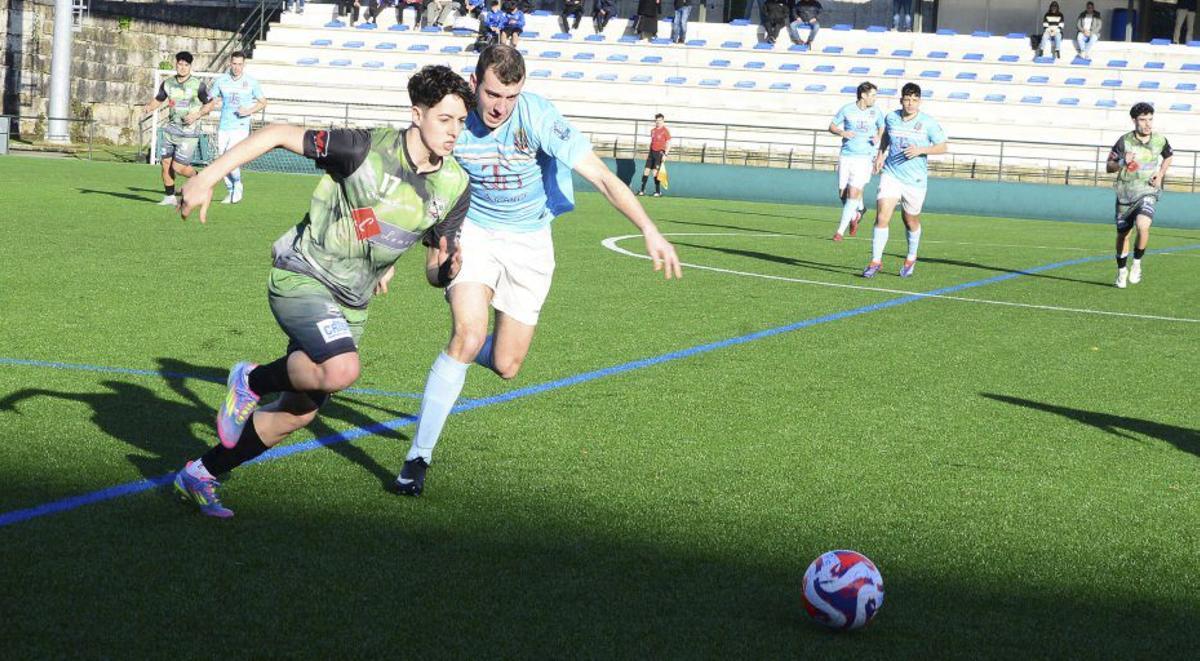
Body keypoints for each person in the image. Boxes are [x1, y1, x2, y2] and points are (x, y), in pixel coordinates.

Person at [170, 65, 473, 517]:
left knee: (298, 413)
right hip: (303, 274)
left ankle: (202, 473)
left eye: (461, 122)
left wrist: (445, 270)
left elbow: (431, 267)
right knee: (342, 369)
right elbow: (273, 132)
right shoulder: (362, 147)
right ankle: (250, 380)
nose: (454, 131)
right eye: (445, 119)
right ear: (417, 113)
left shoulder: (455, 185)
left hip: (352, 302)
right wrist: (205, 178)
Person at [393, 45, 682, 496]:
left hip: (531, 241)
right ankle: (417, 458)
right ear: (475, 84)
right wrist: (389, 252)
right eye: (491, 94)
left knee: (507, 364)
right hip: (476, 232)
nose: (499, 107)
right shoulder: (455, 120)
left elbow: (602, 177)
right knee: (467, 335)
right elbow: (407, 176)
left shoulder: (539, 118)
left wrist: (649, 228)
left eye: (510, 97)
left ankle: (468, 356)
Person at [863, 82, 948, 279]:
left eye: (914, 100)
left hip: (915, 180)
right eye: (907, 99)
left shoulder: (928, 123)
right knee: (882, 217)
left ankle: (911, 257)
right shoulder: (891, 117)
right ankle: (875, 261)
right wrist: (880, 155)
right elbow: (886, 139)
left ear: (920, 102)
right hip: (891, 174)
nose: (910, 103)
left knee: (910, 220)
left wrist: (921, 150)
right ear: (901, 100)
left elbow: (943, 147)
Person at [1106, 102, 1173, 289]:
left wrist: (1160, 173)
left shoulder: (1160, 139)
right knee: (1123, 235)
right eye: (1143, 120)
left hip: (1148, 191)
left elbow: (1168, 156)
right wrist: (1121, 161)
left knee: (1143, 225)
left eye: (1150, 119)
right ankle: (1121, 271)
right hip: (1125, 193)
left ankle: (1136, 264)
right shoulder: (1124, 141)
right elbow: (1108, 167)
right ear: (1134, 120)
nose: (1148, 124)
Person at [141, 51, 215, 207]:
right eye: (180, 64)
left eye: (186, 65)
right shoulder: (168, 83)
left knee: (178, 167)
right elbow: (159, 99)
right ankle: (169, 197)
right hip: (171, 130)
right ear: (176, 64)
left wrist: (197, 114)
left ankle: (201, 180)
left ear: (190, 67)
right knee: (166, 164)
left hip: (188, 133)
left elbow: (210, 104)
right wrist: (148, 107)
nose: (182, 68)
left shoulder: (198, 85)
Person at [209, 51, 268, 205]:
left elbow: (263, 102)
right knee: (222, 160)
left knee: (230, 157)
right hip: (224, 125)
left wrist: (247, 111)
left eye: (240, 64)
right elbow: (211, 98)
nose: (237, 67)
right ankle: (230, 190)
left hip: (240, 127)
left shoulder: (251, 82)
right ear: (230, 63)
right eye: (234, 64)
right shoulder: (221, 81)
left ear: (244, 65)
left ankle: (238, 183)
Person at [829, 82, 885, 242]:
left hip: (865, 157)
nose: (875, 98)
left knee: (853, 192)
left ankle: (839, 232)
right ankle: (858, 212)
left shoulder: (876, 111)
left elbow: (882, 127)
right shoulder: (847, 109)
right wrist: (842, 132)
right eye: (873, 95)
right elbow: (831, 126)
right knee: (842, 194)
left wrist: (878, 137)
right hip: (846, 155)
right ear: (863, 95)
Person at [637, 114, 671, 196]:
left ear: (663, 121)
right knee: (646, 170)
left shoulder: (665, 131)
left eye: (660, 120)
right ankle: (642, 190)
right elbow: (652, 142)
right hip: (651, 153)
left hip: (659, 153)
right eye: (657, 120)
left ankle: (658, 191)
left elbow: (668, 143)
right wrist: (649, 152)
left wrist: (665, 155)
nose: (658, 122)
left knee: (655, 172)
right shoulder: (653, 130)